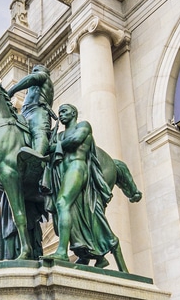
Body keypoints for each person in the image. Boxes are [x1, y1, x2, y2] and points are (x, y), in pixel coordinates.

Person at [45, 104, 127, 272]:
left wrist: (55, 146)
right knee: (70, 211)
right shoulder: (59, 134)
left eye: (65, 111)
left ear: (74, 113)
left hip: (78, 168)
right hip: (65, 173)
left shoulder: (83, 126)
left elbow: (74, 141)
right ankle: (97, 256)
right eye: (59, 112)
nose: (61, 115)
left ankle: (61, 252)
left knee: (62, 203)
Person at [5, 64, 55, 162]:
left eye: (36, 70)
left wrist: (11, 91)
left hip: (38, 110)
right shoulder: (35, 84)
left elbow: (32, 78)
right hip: (25, 113)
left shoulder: (44, 77)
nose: (34, 72)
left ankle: (37, 158)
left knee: (39, 132)